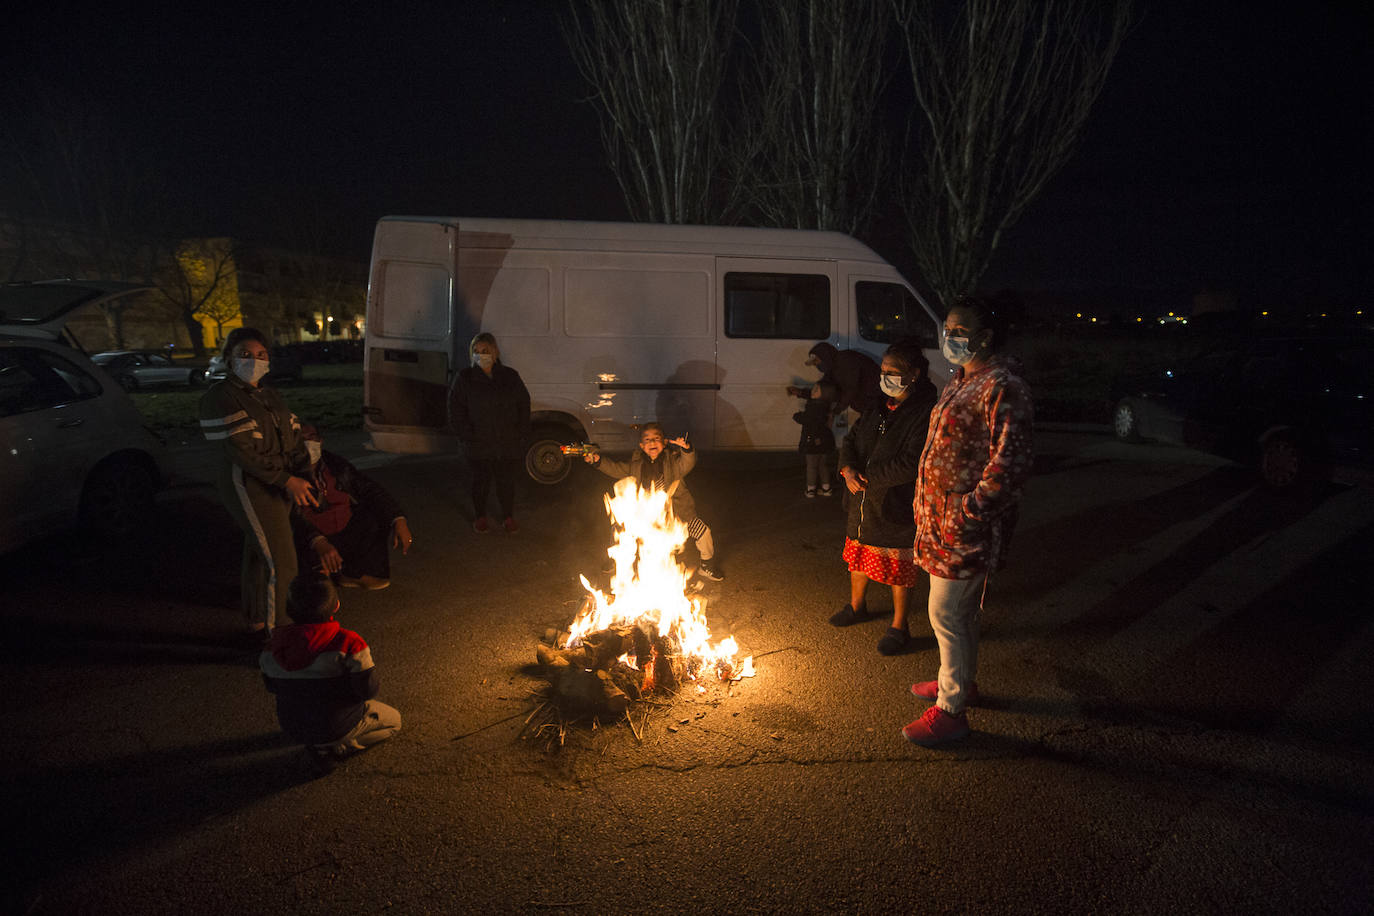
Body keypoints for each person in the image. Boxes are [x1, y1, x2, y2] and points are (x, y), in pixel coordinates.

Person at [902, 296, 1034, 748]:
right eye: (948, 328)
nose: (949, 337)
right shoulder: (961, 379)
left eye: (960, 330)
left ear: (985, 337)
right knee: (959, 615)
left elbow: (1009, 464)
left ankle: (951, 712)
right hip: (943, 520)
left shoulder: (1003, 386)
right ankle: (959, 682)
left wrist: (970, 512)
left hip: (965, 525)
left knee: (946, 613)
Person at [199, 327, 316, 646]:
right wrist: (286, 478)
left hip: (278, 480)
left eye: (261, 355)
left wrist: (302, 469)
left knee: (258, 549)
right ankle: (281, 633)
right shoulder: (220, 396)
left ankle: (255, 617)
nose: (255, 360)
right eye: (245, 355)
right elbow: (241, 452)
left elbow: (290, 437)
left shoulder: (269, 394)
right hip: (248, 483)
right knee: (282, 559)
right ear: (228, 358)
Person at [829, 338, 939, 656]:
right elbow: (850, 439)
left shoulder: (924, 412)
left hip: (895, 503)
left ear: (914, 374)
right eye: (883, 369)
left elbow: (911, 462)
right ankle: (856, 606)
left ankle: (899, 626)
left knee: (898, 565)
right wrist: (847, 469)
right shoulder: (878, 404)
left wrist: (868, 478)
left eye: (893, 371)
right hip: (861, 501)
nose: (885, 376)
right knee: (859, 555)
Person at [260, 576, 401, 775]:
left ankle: (316, 741)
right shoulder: (349, 643)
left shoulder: (270, 648)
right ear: (336, 605)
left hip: (291, 726)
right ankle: (336, 748)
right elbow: (369, 690)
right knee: (394, 721)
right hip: (336, 725)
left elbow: (272, 686)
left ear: (288, 609)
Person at [583, 423, 723, 581]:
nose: (651, 442)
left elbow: (688, 462)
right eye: (647, 439)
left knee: (703, 533)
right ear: (642, 446)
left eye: (656, 439)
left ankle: (707, 566)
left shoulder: (674, 463)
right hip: (646, 514)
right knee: (619, 527)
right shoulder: (636, 465)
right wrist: (597, 461)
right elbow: (615, 469)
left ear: (664, 443)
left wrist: (687, 449)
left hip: (676, 513)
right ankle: (616, 559)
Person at [293, 424, 413, 590]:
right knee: (316, 594)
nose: (308, 443)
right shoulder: (289, 477)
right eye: (302, 439)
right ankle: (319, 573)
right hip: (311, 536)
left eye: (312, 437)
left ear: (320, 440)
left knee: (374, 515)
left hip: (345, 527)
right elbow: (291, 517)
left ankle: (351, 573)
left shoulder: (335, 464)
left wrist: (398, 519)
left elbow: (369, 488)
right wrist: (317, 541)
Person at [449, 332, 531, 533]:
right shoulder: (465, 378)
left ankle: (508, 516)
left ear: (495, 352)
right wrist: (466, 435)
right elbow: (455, 409)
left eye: (485, 351)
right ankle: (480, 516)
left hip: (506, 442)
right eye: (476, 352)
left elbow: (523, 403)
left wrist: (520, 433)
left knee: (506, 483)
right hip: (478, 443)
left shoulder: (510, 376)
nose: (480, 355)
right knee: (481, 482)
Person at [786, 342, 881, 417]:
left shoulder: (847, 360)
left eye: (816, 361)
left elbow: (851, 389)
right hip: (868, 408)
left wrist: (836, 410)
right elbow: (822, 391)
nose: (816, 366)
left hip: (877, 404)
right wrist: (801, 393)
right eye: (814, 364)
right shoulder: (832, 369)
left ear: (825, 356)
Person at [793, 380, 838, 497]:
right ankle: (826, 488)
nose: (813, 390)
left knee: (812, 466)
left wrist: (797, 415)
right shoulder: (825, 407)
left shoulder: (814, 408)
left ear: (823, 395)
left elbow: (805, 419)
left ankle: (811, 489)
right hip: (824, 442)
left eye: (816, 390)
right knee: (823, 465)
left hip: (812, 442)